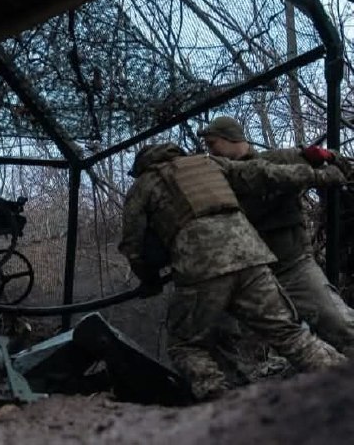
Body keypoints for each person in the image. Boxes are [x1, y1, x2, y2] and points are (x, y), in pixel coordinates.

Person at [119, 143, 347, 400]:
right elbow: (264, 173)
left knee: (186, 345)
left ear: (141, 166)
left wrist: (149, 280)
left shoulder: (143, 186)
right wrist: (321, 176)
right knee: (290, 333)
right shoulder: (207, 163)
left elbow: (133, 246)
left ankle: (221, 402)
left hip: (201, 267)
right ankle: (343, 381)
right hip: (251, 256)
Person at [199, 116, 354, 357]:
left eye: (213, 143)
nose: (210, 151)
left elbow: (332, 161)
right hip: (247, 276)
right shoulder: (214, 180)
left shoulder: (276, 161)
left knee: (337, 322)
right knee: (213, 334)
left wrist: (327, 158)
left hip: (291, 265)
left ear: (232, 139)